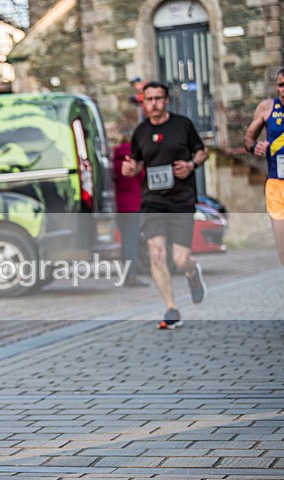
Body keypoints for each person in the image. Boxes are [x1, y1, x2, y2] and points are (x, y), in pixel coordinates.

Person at [121, 81, 208, 329]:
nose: (154, 104)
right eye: (149, 100)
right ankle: (171, 307)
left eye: (158, 98)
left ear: (167, 100)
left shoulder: (183, 125)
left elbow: (202, 152)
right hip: (153, 201)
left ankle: (192, 273)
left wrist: (191, 165)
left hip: (181, 200)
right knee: (157, 254)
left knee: (181, 260)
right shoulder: (140, 132)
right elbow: (137, 164)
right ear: (143, 103)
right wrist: (130, 169)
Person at [244, 65, 284, 336]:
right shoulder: (266, 109)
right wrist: (255, 147)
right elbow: (247, 139)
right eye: (280, 85)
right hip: (276, 187)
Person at [112, 135, 148, 287]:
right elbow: (142, 178)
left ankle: (125, 273)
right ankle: (131, 275)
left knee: (124, 241)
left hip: (118, 206)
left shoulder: (113, 161)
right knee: (131, 240)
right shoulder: (135, 161)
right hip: (133, 206)